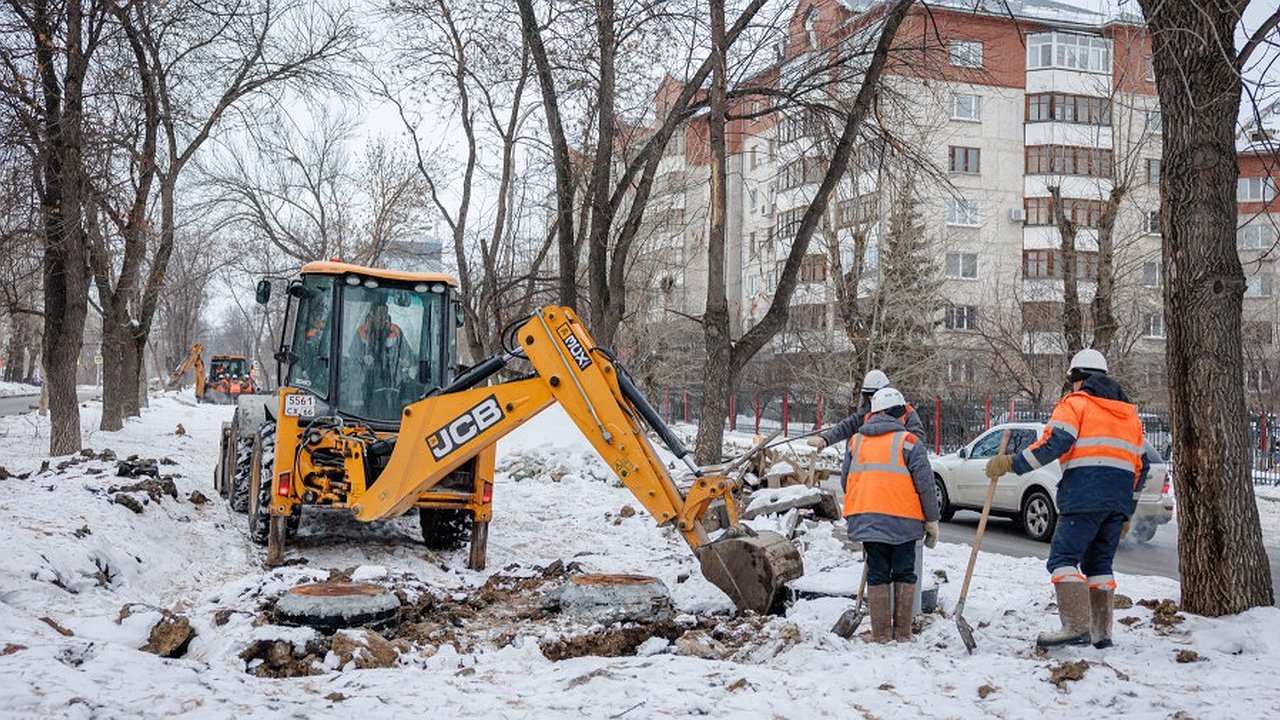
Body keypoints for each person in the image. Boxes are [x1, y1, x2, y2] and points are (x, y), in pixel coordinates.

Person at [984, 348, 1147, 649]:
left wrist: (1012, 463)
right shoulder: (1129, 416)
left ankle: (1075, 627)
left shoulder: (1076, 404)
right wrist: (1127, 512)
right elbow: (1142, 465)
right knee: (1099, 565)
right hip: (1117, 501)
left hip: (1085, 494)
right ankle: (1101, 634)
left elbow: (1056, 441)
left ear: (1078, 379)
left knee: (1062, 559)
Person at [842, 386, 940, 643]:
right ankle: (903, 633)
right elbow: (926, 485)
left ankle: (881, 634)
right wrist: (932, 520)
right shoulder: (909, 442)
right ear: (900, 415)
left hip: (867, 520)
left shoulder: (856, 441)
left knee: (877, 572)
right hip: (903, 522)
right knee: (905, 572)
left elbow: (846, 481)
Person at [808, 369, 926, 488]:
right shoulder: (867, 412)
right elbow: (846, 426)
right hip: (871, 476)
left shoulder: (905, 411)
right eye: (868, 396)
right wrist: (826, 439)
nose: (872, 400)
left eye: (874, 395)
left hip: (898, 475)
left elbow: (917, 443)